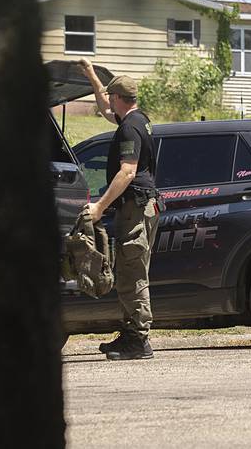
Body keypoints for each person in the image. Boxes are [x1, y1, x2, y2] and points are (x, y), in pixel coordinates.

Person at [77, 58, 160, 360]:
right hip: (140, 208)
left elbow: (127, 172)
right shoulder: (138, 120)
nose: (107, 103)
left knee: (132, 273)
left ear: (118, 98)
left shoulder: (129, 129)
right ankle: (130, 335)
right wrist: (90, 76)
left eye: (110, 97)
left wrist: (99, 206)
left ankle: (138, 340)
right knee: (128, 271)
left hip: (135, 208)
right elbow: (105, 108)